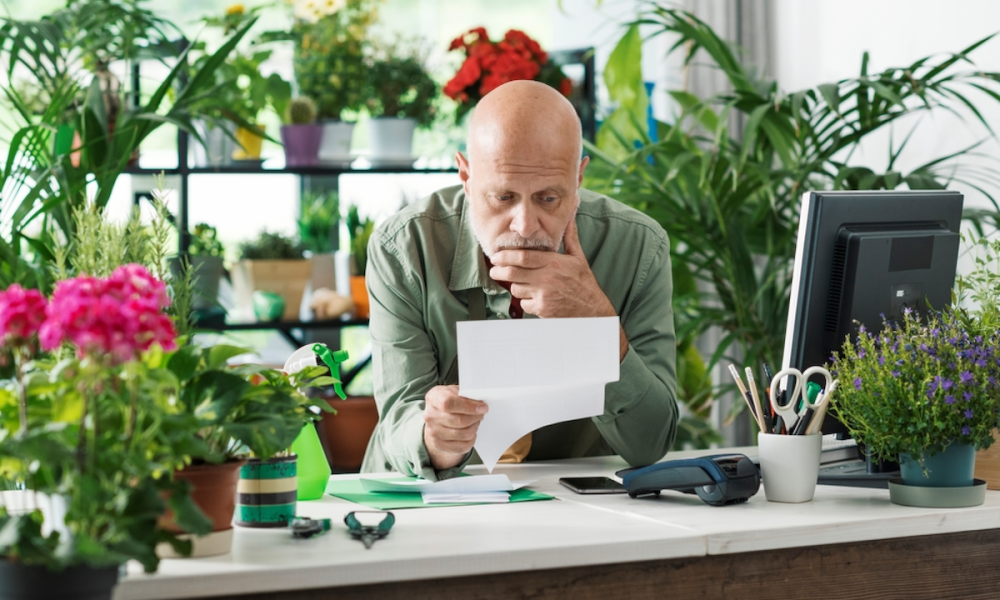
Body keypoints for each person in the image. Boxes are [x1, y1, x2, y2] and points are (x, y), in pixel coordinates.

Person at [360, 80, 678, 480]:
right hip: (432, 500)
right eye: (503, 197)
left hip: (578, 506)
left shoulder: (638, 247)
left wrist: (597, 325)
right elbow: (397, 421)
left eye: (548, 198)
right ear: (466, 175)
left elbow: (652, 443)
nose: (526, 226)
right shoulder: (405, 247)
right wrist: (432, 438)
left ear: (578, 178)